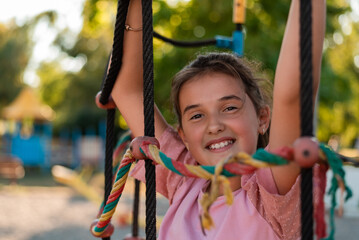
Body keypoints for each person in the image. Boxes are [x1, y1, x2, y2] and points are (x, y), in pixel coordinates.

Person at [111, 0, 326, 239]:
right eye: (197, 115)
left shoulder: (271, 189)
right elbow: (125, 90)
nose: (214, 125)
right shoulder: (184, 179)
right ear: (184, 137)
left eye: (230, 107)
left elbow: (293, 95)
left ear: (263, 118)